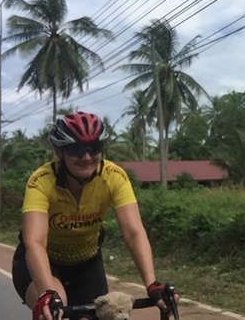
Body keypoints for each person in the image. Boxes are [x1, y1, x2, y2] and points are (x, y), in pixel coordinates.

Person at [12, 111, 178, 320]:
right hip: (44, 263)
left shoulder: (114, 176)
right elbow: (35, 242)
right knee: (56, 306)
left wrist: (152, 283)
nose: (87, 157)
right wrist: (47, 292)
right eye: (76, 149)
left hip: (86, 263)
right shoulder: (41, 181)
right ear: (59, 152)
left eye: (94, 148)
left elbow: (133, 232)